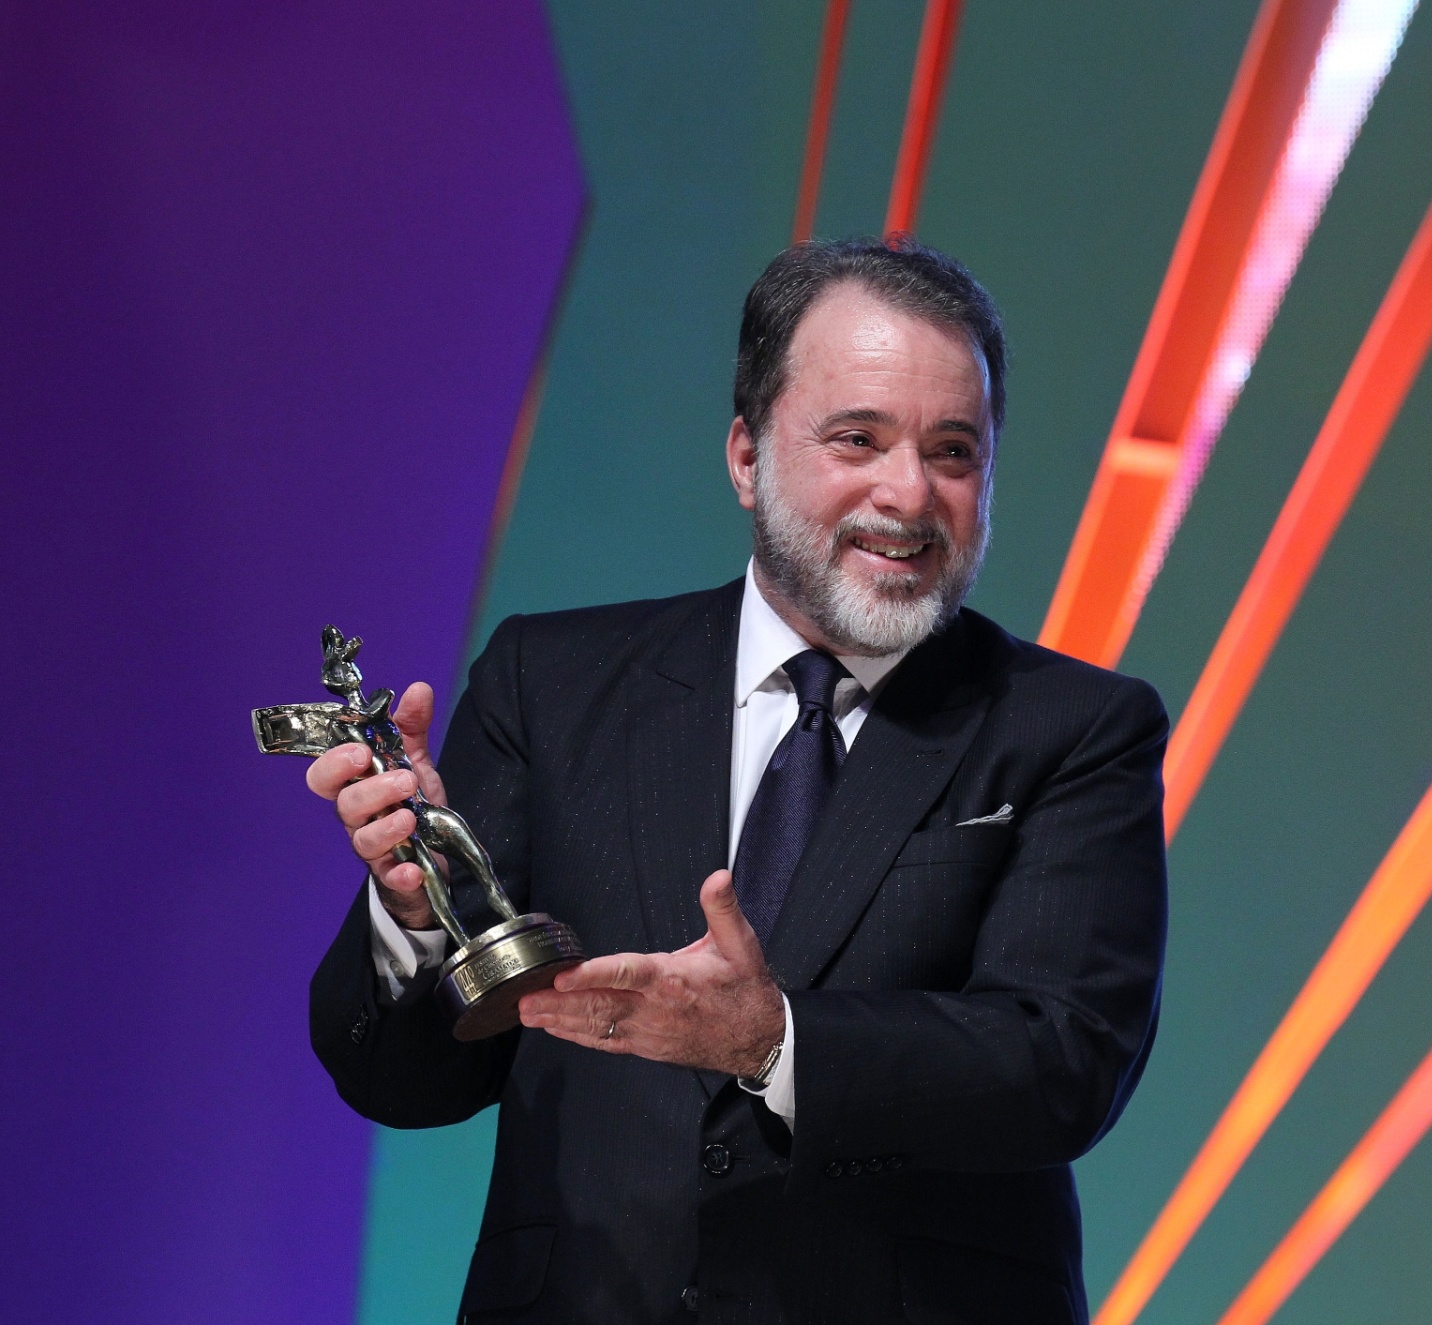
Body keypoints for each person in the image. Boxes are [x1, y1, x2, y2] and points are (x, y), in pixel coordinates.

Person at [305, 238, 1169, 1325]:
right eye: (859, 437)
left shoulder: (1074, 726)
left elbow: (1063, 1062)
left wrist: (773, 1040)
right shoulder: (551, 682)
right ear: (747, 455)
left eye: (955, 451)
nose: (909, 492)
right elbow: (406, 1083)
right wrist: (417, 912)